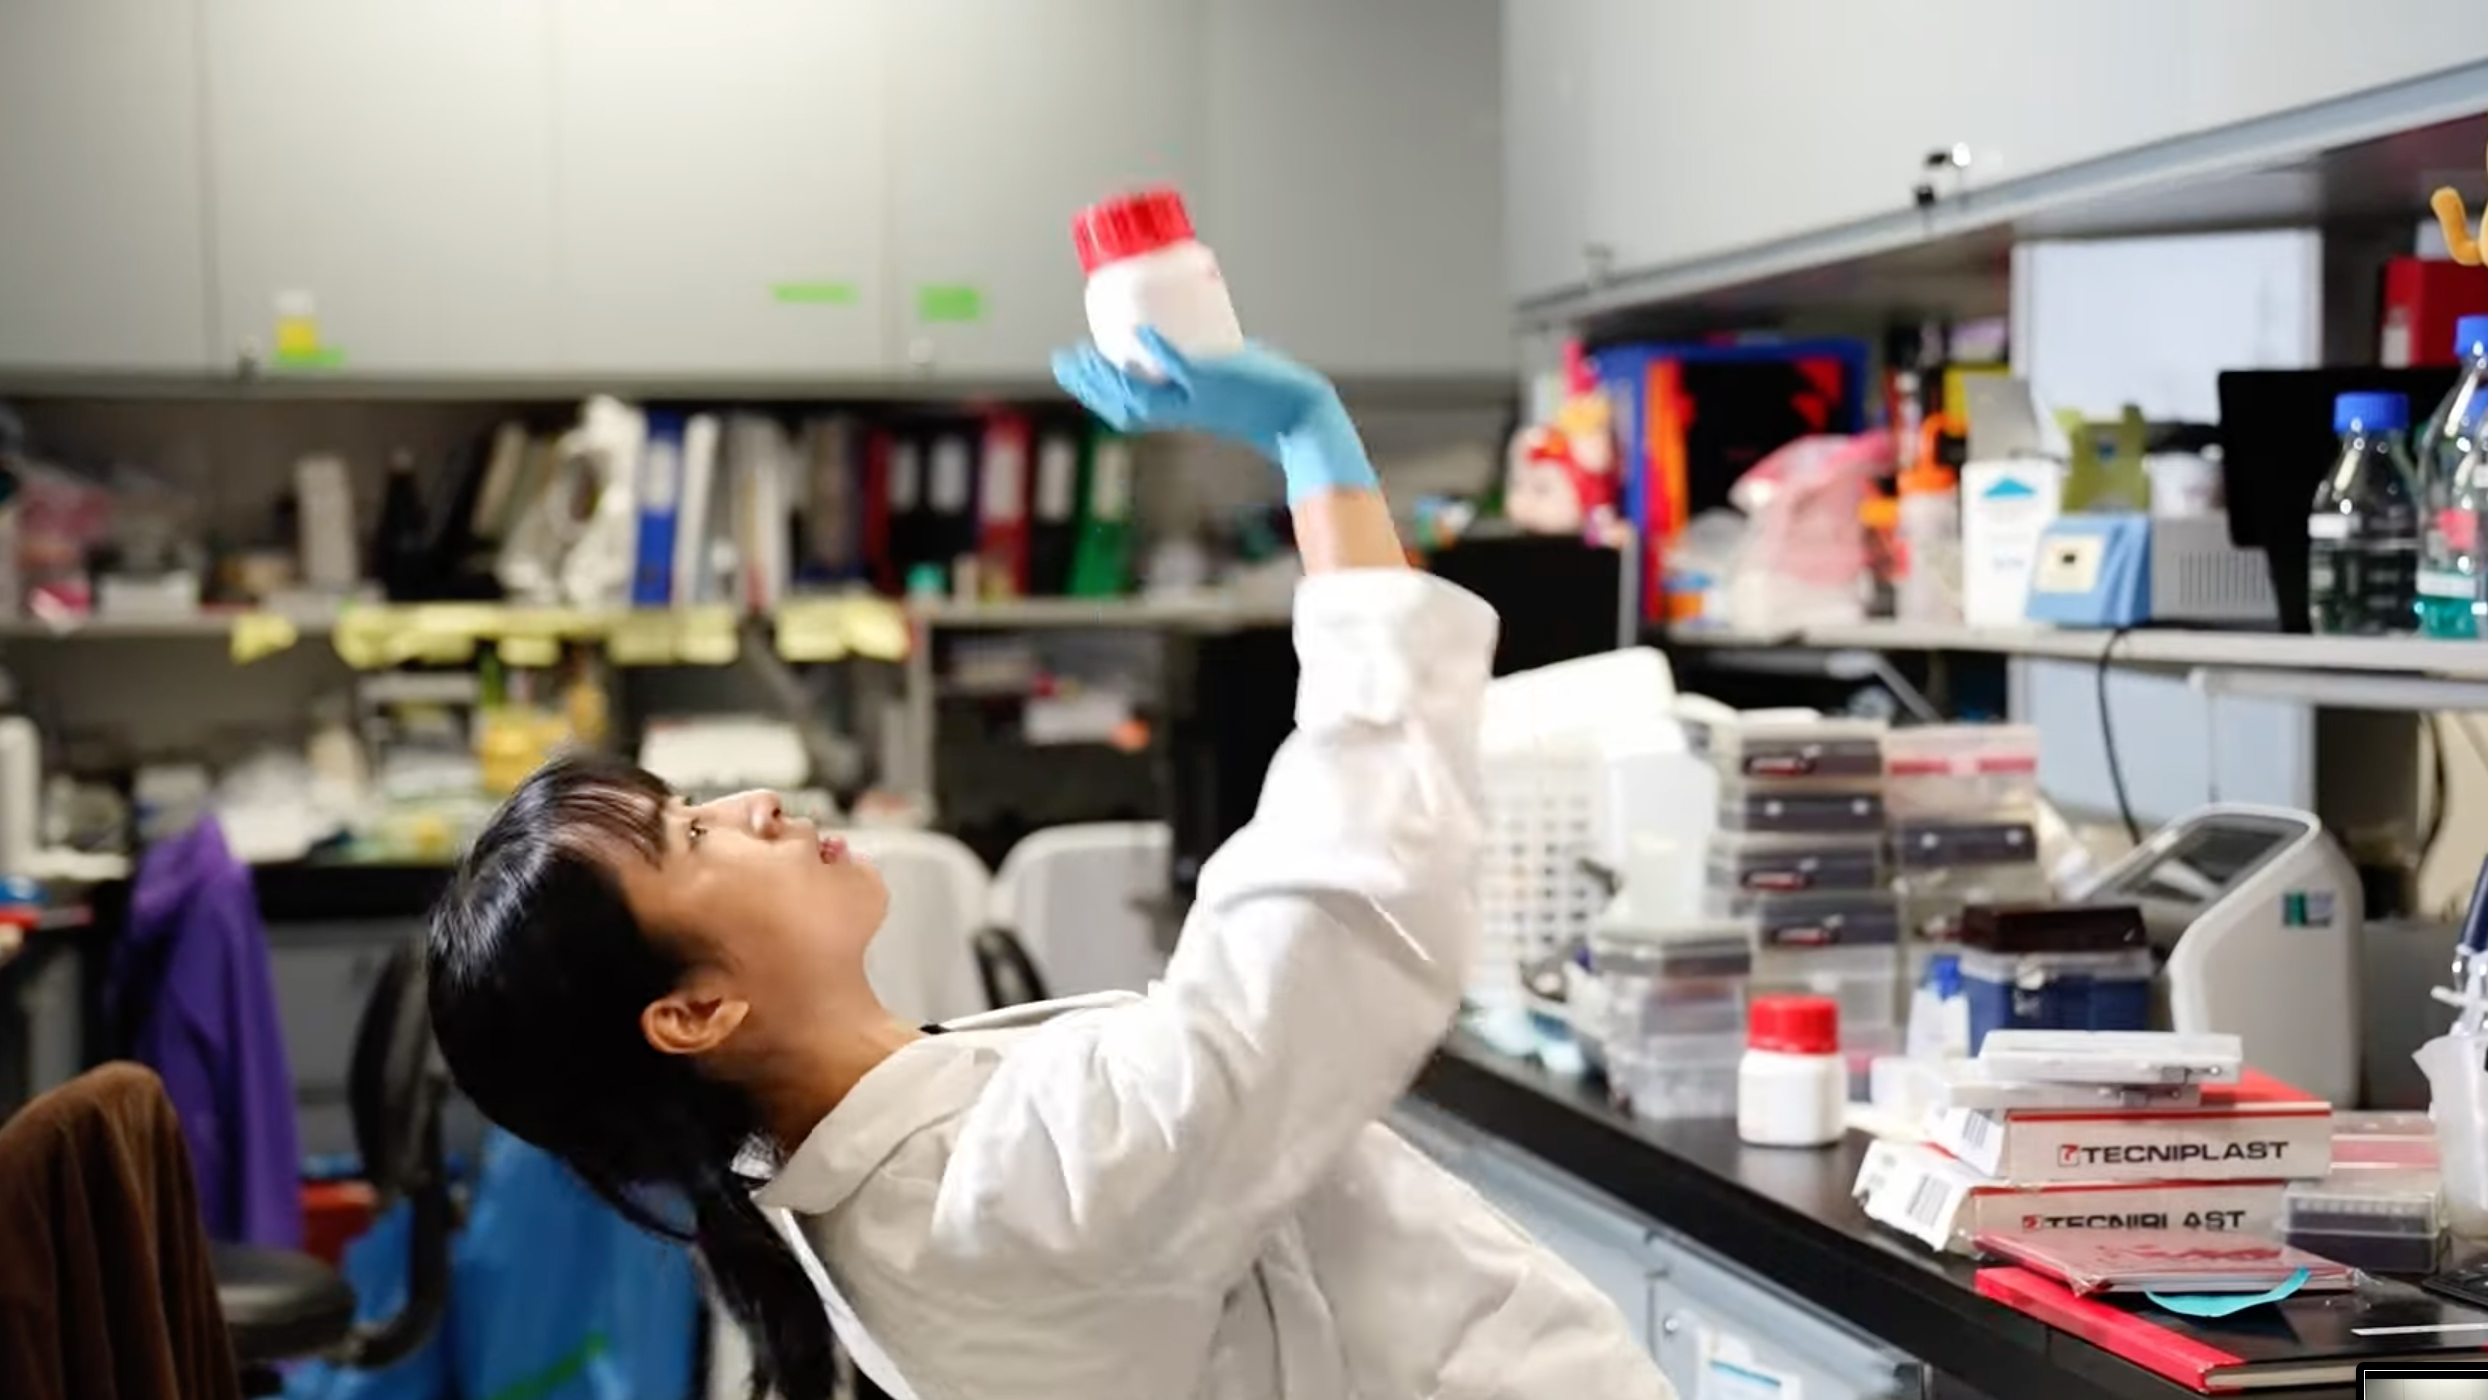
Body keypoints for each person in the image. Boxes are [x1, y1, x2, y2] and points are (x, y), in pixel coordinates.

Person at [427, 330, 1675, 1400]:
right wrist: (1314, 447)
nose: (749, 804)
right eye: (687, 837)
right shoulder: (994, 1196)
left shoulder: (881, 1175)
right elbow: (1325, 905)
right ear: (694, 1009)